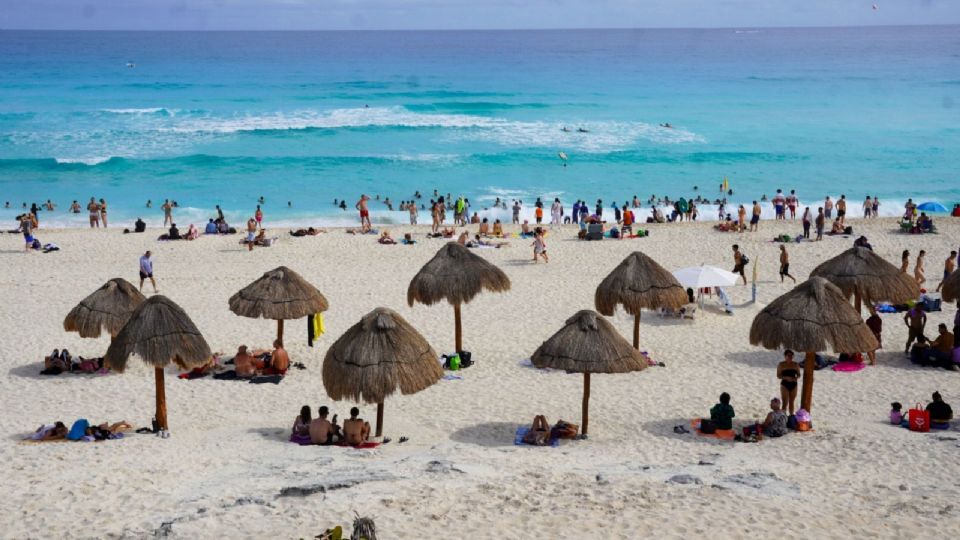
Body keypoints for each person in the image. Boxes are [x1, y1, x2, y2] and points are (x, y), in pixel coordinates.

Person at [777, 350, 801, 415]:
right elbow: (778, 375)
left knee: (792, 402)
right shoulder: (781, 364)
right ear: (785, 356)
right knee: (785, 402)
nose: (790, 357)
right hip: (785, 384)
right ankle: (783, 418)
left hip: (794, 384)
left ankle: (791, 416)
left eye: (791, 356)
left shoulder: (795, 364)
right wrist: (786, 378)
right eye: (789, 355)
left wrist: (796, 378)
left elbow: (799, 374)